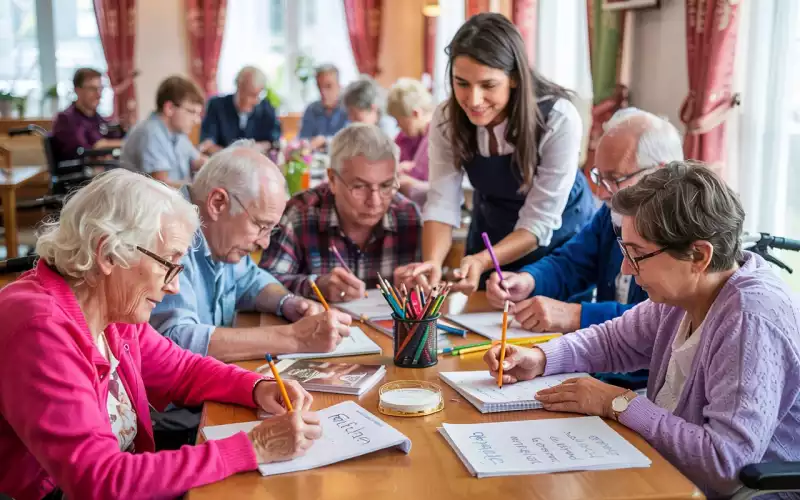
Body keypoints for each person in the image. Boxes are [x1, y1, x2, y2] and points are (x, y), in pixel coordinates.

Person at [483, 162, 800, 498]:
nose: (624, 267)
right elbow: (614, 340)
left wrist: (617, 403)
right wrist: (540, 357)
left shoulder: (751, 319)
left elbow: (725, 464)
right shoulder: (686, 294)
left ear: (699, 255)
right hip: (674, 476)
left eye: (637, 255)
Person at [0, 169, 322, 500]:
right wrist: (254, 446)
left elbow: (181, 370)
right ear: (109, 253)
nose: (174, 286)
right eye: (168, 264)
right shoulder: (39, 327)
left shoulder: (111, 304)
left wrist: (256, 387)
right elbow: (98, 480)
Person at [394, 13, 594, 294]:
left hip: (557, 241)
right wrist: (433, 262)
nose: (473, 100)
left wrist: (482, 260)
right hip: (491, 231)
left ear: (513, 78)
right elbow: (441, 202)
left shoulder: (558, 117)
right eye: (461, 83)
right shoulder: (446, 118)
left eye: (488, 85)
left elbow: (539, 221)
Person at [486, 108, 684, 333]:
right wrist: (529, 280)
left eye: (615, 179)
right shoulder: (612, 213)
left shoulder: (685, 236)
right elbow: (572, 262)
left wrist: (577, 316)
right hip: (603, 360)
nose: (601, 193)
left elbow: (660, 324)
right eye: (599, 177)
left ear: (661, 173)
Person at [150, 140, 351, 361]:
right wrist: (295, 338)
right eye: (261, 226)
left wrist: (289, 302)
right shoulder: (169, 238)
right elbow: (175, 340)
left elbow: (251, 280)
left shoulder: (221, 237)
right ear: (217, 203)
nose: (264, 243)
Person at [259, 123, 421, 302]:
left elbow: (432, 288)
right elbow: (263, 285)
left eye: (385, 186)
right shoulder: (301, 213)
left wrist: (416, 285)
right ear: (332, 180)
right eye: (359, 186)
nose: (374, 201)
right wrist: (316, 286)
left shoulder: (408, 216)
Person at [121, 75, 210, 187]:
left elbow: (198, 161)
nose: (197, 121)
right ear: (169, 108)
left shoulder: (178, 133)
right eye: (192, 112)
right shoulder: (151, 133)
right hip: (149, 201)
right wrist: (200, 189)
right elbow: (161, 186)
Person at [200, 66, 282, 154]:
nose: (256, 101)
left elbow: (274, 141)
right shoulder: (216, 105)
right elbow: (207, 143)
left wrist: (259, 146)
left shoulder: (267, 108)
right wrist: (233, 155)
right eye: (251, 95)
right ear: (239, 87)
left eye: (258, 95)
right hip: (224, 163)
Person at [50, 67, 124, 163]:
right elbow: (84, 152)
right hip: (80, 175)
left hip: (100, 172)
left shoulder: (97, 118)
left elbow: (112, 138)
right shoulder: (65, 120)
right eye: (92, 89)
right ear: (78, 90)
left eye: (100, 89)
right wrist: (104, 145)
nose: (98, 95)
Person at [387, 78, 435, 206]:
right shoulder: (405, 136)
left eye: (400, 120)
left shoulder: (437, 135)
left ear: (415, 113)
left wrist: (404, 178)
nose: (398, 125)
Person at [298, 64, 349, 150]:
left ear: (339, 86)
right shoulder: (311, 109)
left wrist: (326, 142)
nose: (323, 92)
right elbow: (303, 139)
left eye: (328, 86)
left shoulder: (349, 109)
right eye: (319, 86)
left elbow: (351, 142)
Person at [342, 75, 399, 140]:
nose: (351, 118)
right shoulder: (353, 128)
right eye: (349, 112)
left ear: (373, 109)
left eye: (355, 114)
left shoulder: (388, 129)